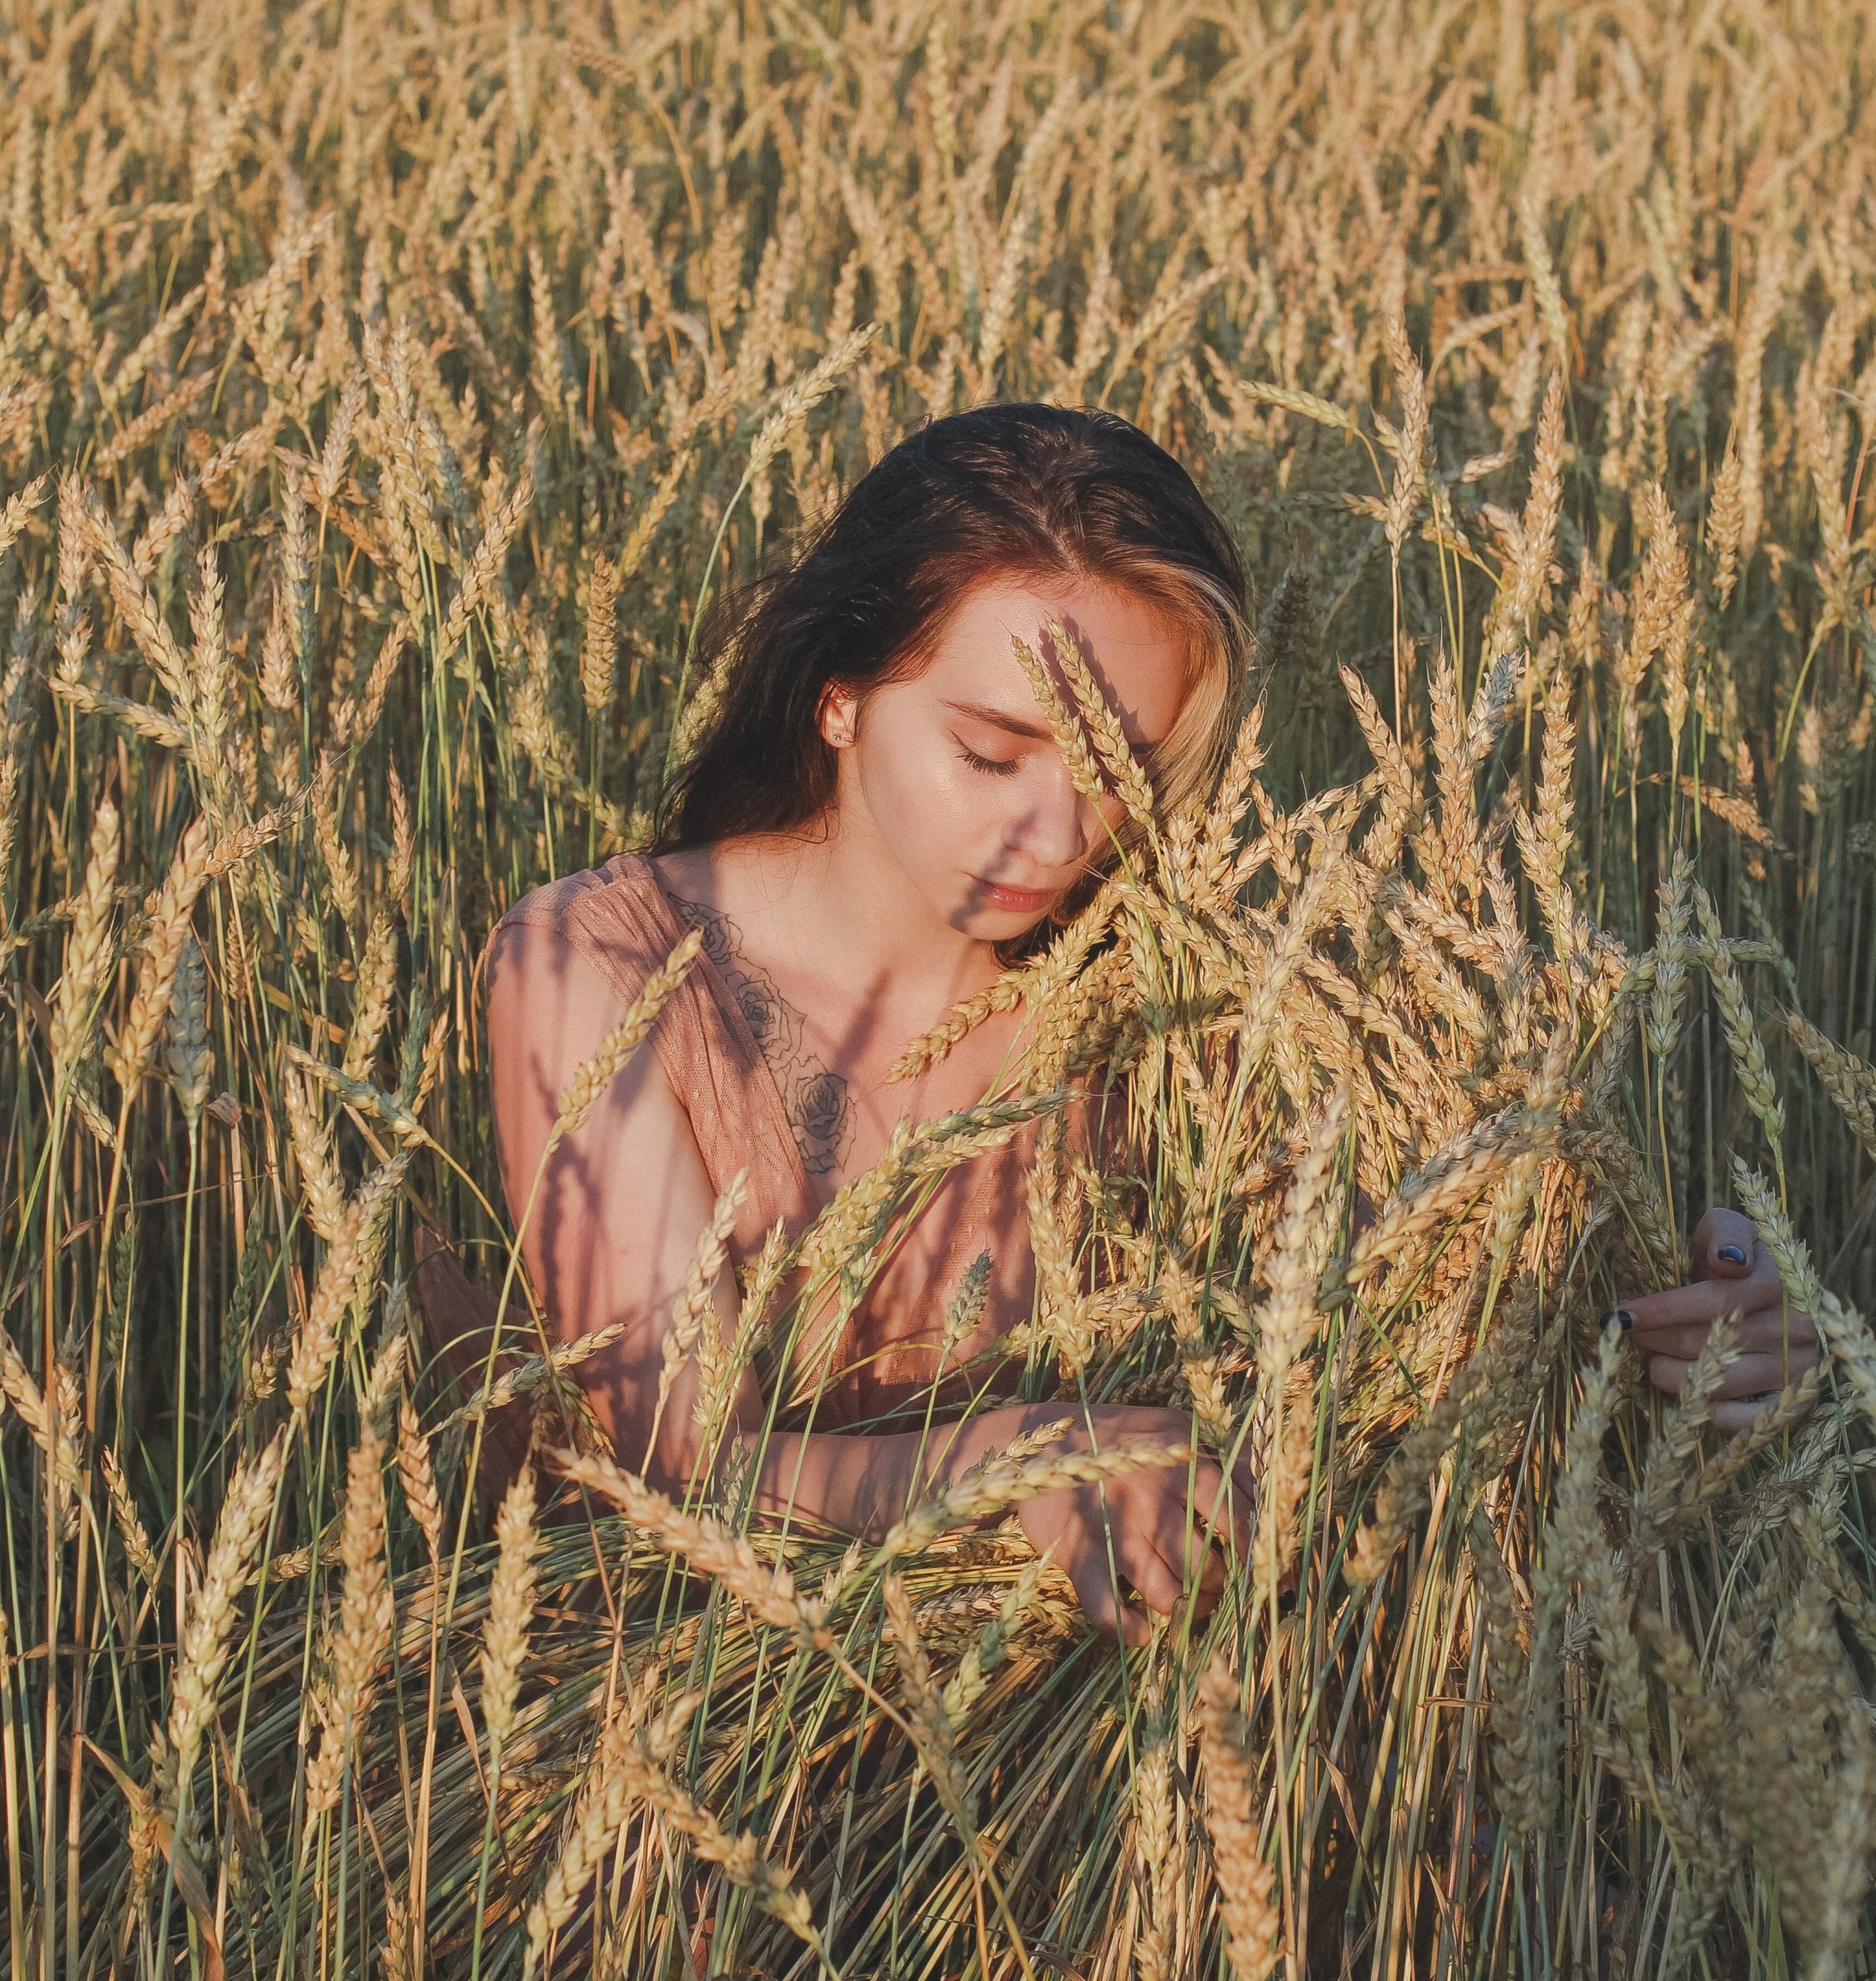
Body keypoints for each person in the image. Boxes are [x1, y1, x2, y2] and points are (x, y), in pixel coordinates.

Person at [414, 402, 1819, 1647]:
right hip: (706, 1710)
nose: (1056, 832)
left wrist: (1661, 1325)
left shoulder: (1195, 983)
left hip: (1127, 1727)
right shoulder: (599, 963)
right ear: (839, 696)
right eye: (989, 750)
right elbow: (677, 1458)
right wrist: (1025, 1461)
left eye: (1120, 772)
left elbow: (1437, 1293)